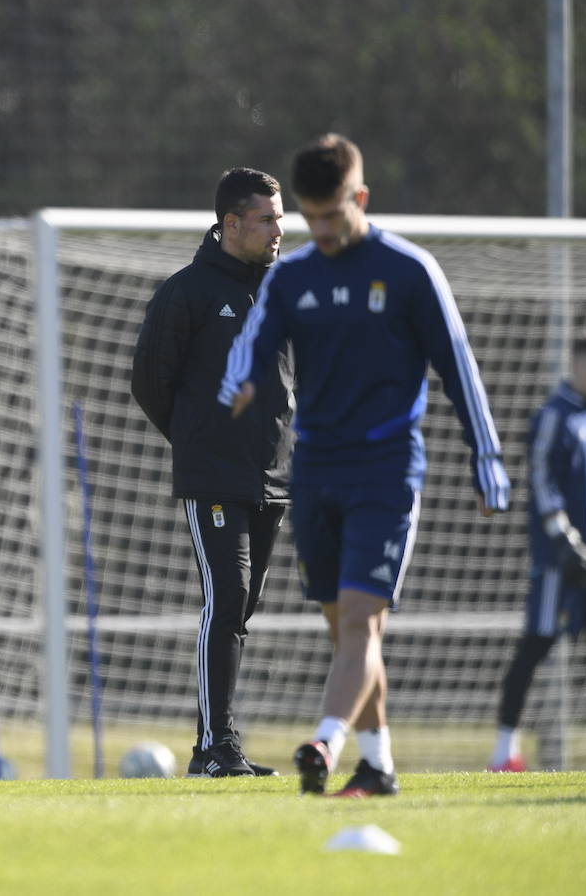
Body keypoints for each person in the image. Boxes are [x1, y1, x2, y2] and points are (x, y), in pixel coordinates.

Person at [219, 133, 511, 797]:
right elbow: (254, 345)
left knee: (359, 621)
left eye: (333, 216)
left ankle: (327, 740)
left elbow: (459, 369)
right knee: (346, 627)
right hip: (314, 471)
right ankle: (377, 764)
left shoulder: (409, 271)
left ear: (362, 199)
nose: (320, 230)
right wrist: (239, 383)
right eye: (309, 217)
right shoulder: (294, 276)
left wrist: (486, 458)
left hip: (386, 470)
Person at [131, 168, 294, 778]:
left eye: (280, 217)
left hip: (274, 480)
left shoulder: (283, 293)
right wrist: (200, 443)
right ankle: (212, 746)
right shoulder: (187, 292)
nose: (280, 229)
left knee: (241, 608)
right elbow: (150, 383)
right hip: (213, 481)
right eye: (267, 218)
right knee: (224, 599)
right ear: (230, 224)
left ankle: (223, 744)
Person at [488, 330, 586, 774]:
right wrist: (565, 539)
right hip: (559, 558)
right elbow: (541, 481)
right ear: (576, 365)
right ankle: (503, 753)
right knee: (537, 644)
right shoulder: (554, 415)